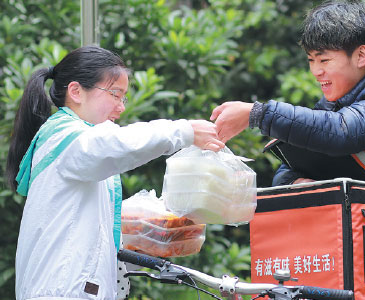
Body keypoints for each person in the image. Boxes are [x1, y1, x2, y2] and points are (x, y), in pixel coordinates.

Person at [210, 1, 365, 299]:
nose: (316, 71)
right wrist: (298, 183)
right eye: (311, 60)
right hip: (342, 250)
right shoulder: (330, 109)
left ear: (361, 55)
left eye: (324, 60)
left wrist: (258, 114)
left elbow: (341, 133)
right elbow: (286, 171)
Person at [6, 45, 224, 300]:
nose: (121, 108)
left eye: (124, 97)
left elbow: (91, 237)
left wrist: (146, 231)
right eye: (115, 94)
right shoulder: (66, 136)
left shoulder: (73, 142)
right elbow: (117, 144)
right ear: (76, 91)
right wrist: (185, 131)